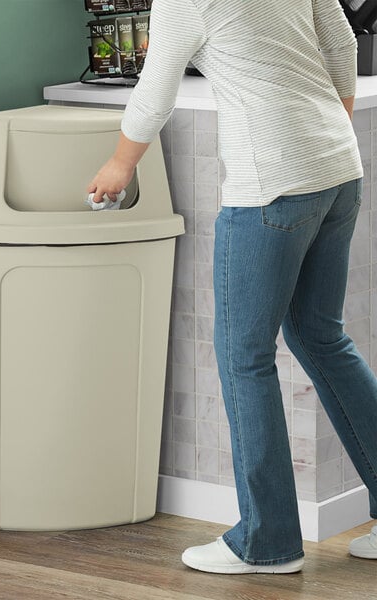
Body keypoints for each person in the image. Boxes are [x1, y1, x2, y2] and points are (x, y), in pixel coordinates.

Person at [87, 0, 377, 574]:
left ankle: (266, 541)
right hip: (337, 169)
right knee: (323, 338)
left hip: (270, 182)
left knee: (244, 356)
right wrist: (324, 128)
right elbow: (343, 42)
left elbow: (155, 88)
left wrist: (121, 163)